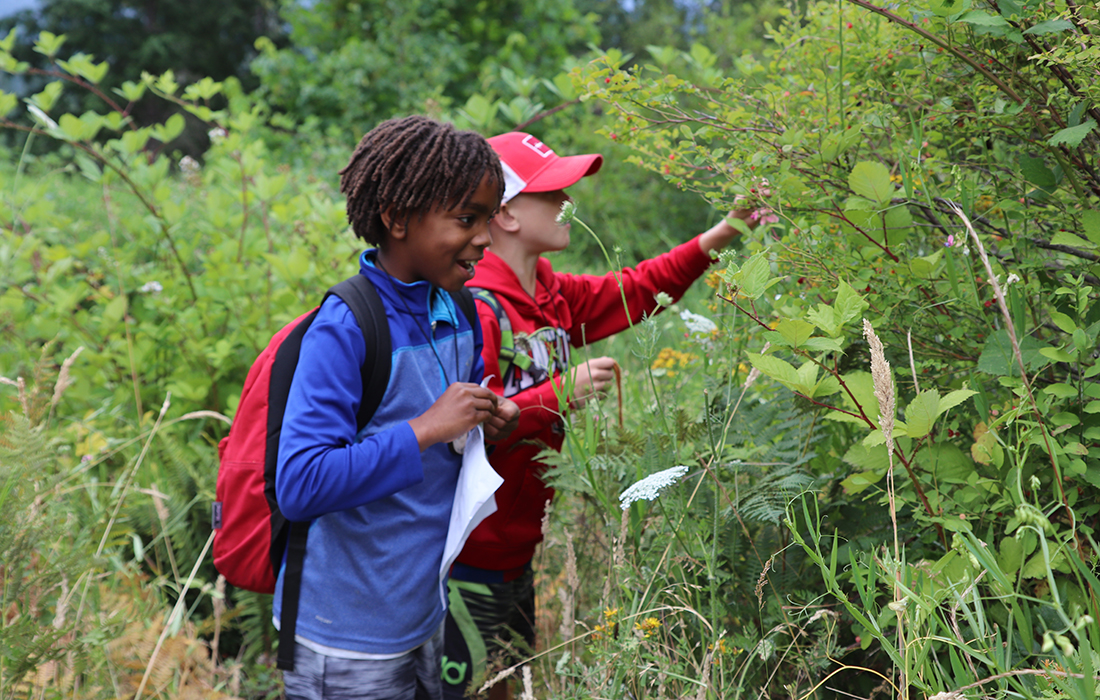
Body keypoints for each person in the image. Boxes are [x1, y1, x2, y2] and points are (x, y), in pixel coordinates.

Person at [441, 132, 762, 700]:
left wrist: (727, 230)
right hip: (467, 554)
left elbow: (638, 288)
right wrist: (561, 392)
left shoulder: (550, 293)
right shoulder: (476, 307)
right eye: (554, 192)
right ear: (507, 214)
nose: (569, 202)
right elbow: (467, 427)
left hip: (516, 548)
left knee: (506, 685)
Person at [273, 115, 520, 700]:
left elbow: (446, 443)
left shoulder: (459, 309)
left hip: (423, 611)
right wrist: (427, 429)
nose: (485, 237)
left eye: (488, 218)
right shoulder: (348, 329)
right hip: (343, 637)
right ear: (398, 219)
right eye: (466, 219)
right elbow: (301, 483)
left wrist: (487, 423)